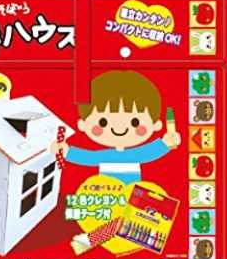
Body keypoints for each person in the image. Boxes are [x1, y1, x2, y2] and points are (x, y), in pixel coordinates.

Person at [50, 71, 181, 184]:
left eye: (135, 122)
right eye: (103, 122)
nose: (119, 129)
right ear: (83, 125)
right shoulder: (106, 156)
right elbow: (89, 157)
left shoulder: (134, 155)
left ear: (155, 125)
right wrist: (66, 151)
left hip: (132, 195)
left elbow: (147, 153)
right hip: (106, 195)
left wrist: (166, 143)